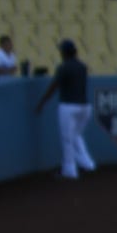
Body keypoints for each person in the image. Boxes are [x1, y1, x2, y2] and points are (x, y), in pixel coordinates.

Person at [37, 38, 96, 179]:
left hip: (69, 106)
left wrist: (42, 102)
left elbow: (53, 87)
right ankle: (87, 164)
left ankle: (70, 170)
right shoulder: (82, 66)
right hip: (85, 107)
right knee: (76, 136)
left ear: (65, 53)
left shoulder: (64, 67)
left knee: (67, 139)